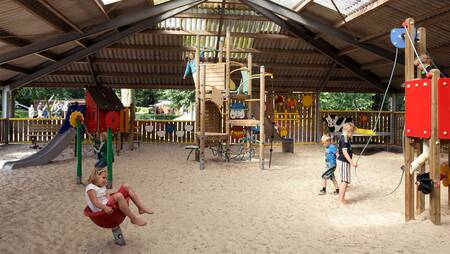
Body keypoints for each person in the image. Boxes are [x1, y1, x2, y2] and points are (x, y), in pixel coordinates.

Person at [85, 168, 152, 226]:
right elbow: (95, 202)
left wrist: (115, 202)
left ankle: (141, 208)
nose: (105, 180)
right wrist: (105, 207)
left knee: (126, 185)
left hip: (107, 204)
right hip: (101, 209)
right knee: (119, 195)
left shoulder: (102, 186)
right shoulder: (91, 187)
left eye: (106, 178)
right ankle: (133, 219)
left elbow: (108, 197)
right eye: (103, 178)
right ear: (95, 177)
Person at [337, 122, 358, 204]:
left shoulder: (343, 137)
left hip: (343, 161)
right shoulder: (345, 138)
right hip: (344, 162)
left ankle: (341, 199)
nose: (352, 134)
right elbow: (344, 151)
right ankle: (341, 200)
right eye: (352, 132)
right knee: (345, 181)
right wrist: (352, 162)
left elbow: (338, 150)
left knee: (345, 180)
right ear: (349, 131)